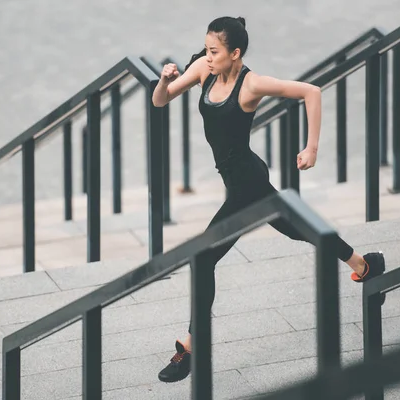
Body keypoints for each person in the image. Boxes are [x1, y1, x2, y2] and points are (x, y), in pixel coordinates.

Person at [151, 16, 386, 383]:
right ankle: (365, 264)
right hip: (247, 181)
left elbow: (312, 91)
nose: (208, 56)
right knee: (299, 230)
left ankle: (192, 348)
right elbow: (160, 100)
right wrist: (165, 79)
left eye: (215, 51)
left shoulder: (252, 84)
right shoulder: (204, 69)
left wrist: (311, 147)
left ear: (236, 53)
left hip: (247, 187)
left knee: (202, 257)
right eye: (207, 49)